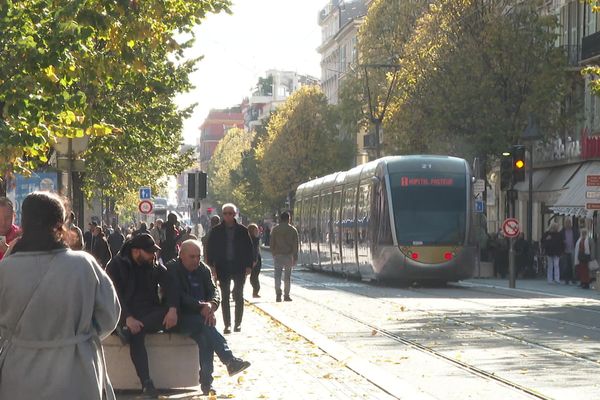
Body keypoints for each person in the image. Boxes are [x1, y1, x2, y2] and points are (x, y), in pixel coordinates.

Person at [0, 191, 120, 399]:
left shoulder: (5, 269)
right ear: (61, 224)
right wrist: (78, 337)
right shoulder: (83, 265)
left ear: (23, 222)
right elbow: (109, 316)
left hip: (19, 372)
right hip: (77, 371)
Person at [166, 240, 250, 395]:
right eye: (192, 257)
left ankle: (207, 384)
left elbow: (214, 291)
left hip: (201, 317)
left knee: (206, 338)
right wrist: (201, 307)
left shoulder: (203, 269)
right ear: (181, 255)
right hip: (180, 317)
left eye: (198, 256)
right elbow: (177, 296)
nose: (196, 260)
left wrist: (211, 305)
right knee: (206, 326)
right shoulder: (172, 269)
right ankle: (229, 360)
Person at [105, 233, 179, 397]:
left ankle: (129, 332)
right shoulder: (116, 265)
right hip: (125, 314)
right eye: (150, 252)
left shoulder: (152, 264)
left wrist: (173, 308)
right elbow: (113, 295)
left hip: (149, 313)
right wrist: (128, 318)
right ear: (137, 251)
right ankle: (147, 384)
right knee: (137, 334)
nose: (153, 255)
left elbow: (171, 284)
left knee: (140, 328)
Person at [205, 204, 253, 333]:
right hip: (223, 267)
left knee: (238, 294)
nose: (227, 216)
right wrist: (212, 266)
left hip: (239, 267)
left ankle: (238, 323)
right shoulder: (216, 231)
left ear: (234, 214)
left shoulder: (242, 230)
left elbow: (249, 249)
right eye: (225, 213)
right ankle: (227, 324)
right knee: (224, 296)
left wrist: (249, 266)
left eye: (230, 213)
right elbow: (210, 249)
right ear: (222, 215)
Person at [269, 211, 299, 302]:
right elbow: (295, 245)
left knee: (277, 275)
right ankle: (286, 295)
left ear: (280, 219)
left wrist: (273, 252)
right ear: (289, 219)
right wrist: (295, 256)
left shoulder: (275, 229)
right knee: (287, 277)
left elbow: (272, 242)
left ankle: (278, 294)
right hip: (288, 255)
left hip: (278, 255)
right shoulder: (293, 230)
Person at [560, 218, 579, 284]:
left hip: (573, 250)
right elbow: (559, 241)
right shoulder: (562, 231)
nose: (568, 224)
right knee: (566, 266)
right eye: (566, 223)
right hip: (565, 250)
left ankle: (574, 279)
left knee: (573, 266)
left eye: (569, 223)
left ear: (571, 223)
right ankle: (566, 279)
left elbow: (577, 238)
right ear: (564, 224)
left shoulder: (575, 230)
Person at [248, 223, 262, 298]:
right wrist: (254, 260)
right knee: (254, 277)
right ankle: (255, 292)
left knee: (253, 277)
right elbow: (255, 251)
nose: (257, 231)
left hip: (254, 260)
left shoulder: (255, 239)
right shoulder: (254, 240)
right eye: (256, 230)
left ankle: (255, 292)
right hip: (254, 260)